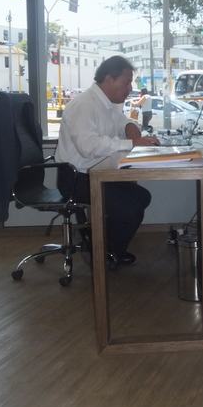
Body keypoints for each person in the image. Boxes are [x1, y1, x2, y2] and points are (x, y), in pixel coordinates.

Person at [55, 55, 159, 265]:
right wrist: (131, 143)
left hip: (97, 173)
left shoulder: (108, 104)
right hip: (76, 178)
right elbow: (89, 147)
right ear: (109, 79)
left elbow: (123, 122)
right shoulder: (84, 105)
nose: (130, 88)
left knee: (141, 197)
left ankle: (104, 246)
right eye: (126, 82)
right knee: (129, 207)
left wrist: (131, 127)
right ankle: (104, 254)